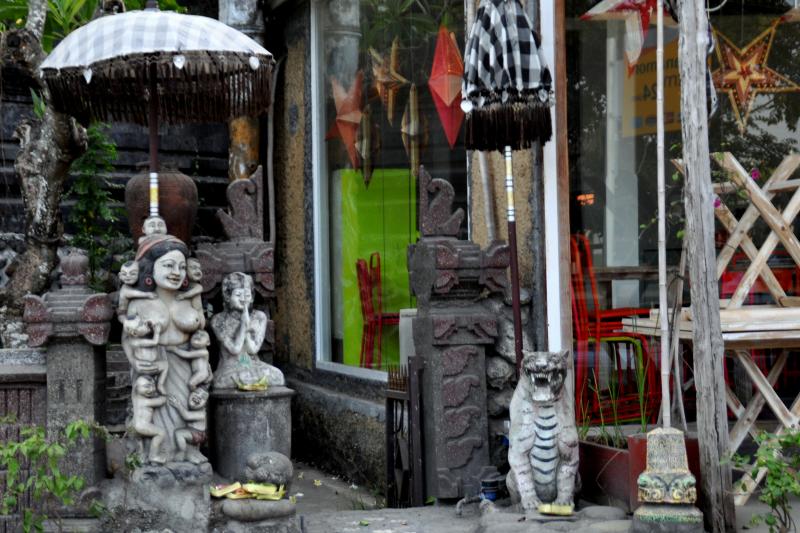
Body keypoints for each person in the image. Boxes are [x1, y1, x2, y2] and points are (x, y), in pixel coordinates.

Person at [120, 234, 209, 464]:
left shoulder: (190, 299)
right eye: (168, 265)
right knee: (153, 416)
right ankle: (153, 455)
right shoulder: (139, 302)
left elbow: (201, 333)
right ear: (151, 269)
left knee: (191, 410)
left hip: (187, 365)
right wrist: (135, 362)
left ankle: (190, 451)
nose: (176, 272)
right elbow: (127, 339)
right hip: (152, 364)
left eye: (181, 267)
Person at [211, 272, 284, 390]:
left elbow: (252, 350)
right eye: (238, 295)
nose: (243, 299)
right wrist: (243, 325)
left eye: (247, 295)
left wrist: (248, 329)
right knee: (219, 382)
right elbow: (235, 349)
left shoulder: (259, 317)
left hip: (253, 364)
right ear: (227, 297)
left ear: (252, 297)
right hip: (230, 367)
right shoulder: (219, 320)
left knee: (278, 376)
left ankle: (248, 378)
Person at [131, 375, 167, 464]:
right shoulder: (145, 401)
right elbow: (161, 401)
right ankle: (153, 456)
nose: (151, 389)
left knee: (139, 443)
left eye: (153, 386)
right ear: (136, 388)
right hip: (141, 426)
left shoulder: (135, 398)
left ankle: (140, 457)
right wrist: (164, 395)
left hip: (132, 426)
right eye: (146, 386)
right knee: (160, 433)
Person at [168, 388, 209, 464]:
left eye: (203, 397)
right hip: (195, 432)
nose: (198, 396)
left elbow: (186, 416)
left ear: (206, 404)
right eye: (196, 392)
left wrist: (178, 405)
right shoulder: (196, 410)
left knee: (179, 433)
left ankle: (182, 452)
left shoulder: (202, 413)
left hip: (199, 434)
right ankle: (194, 454)